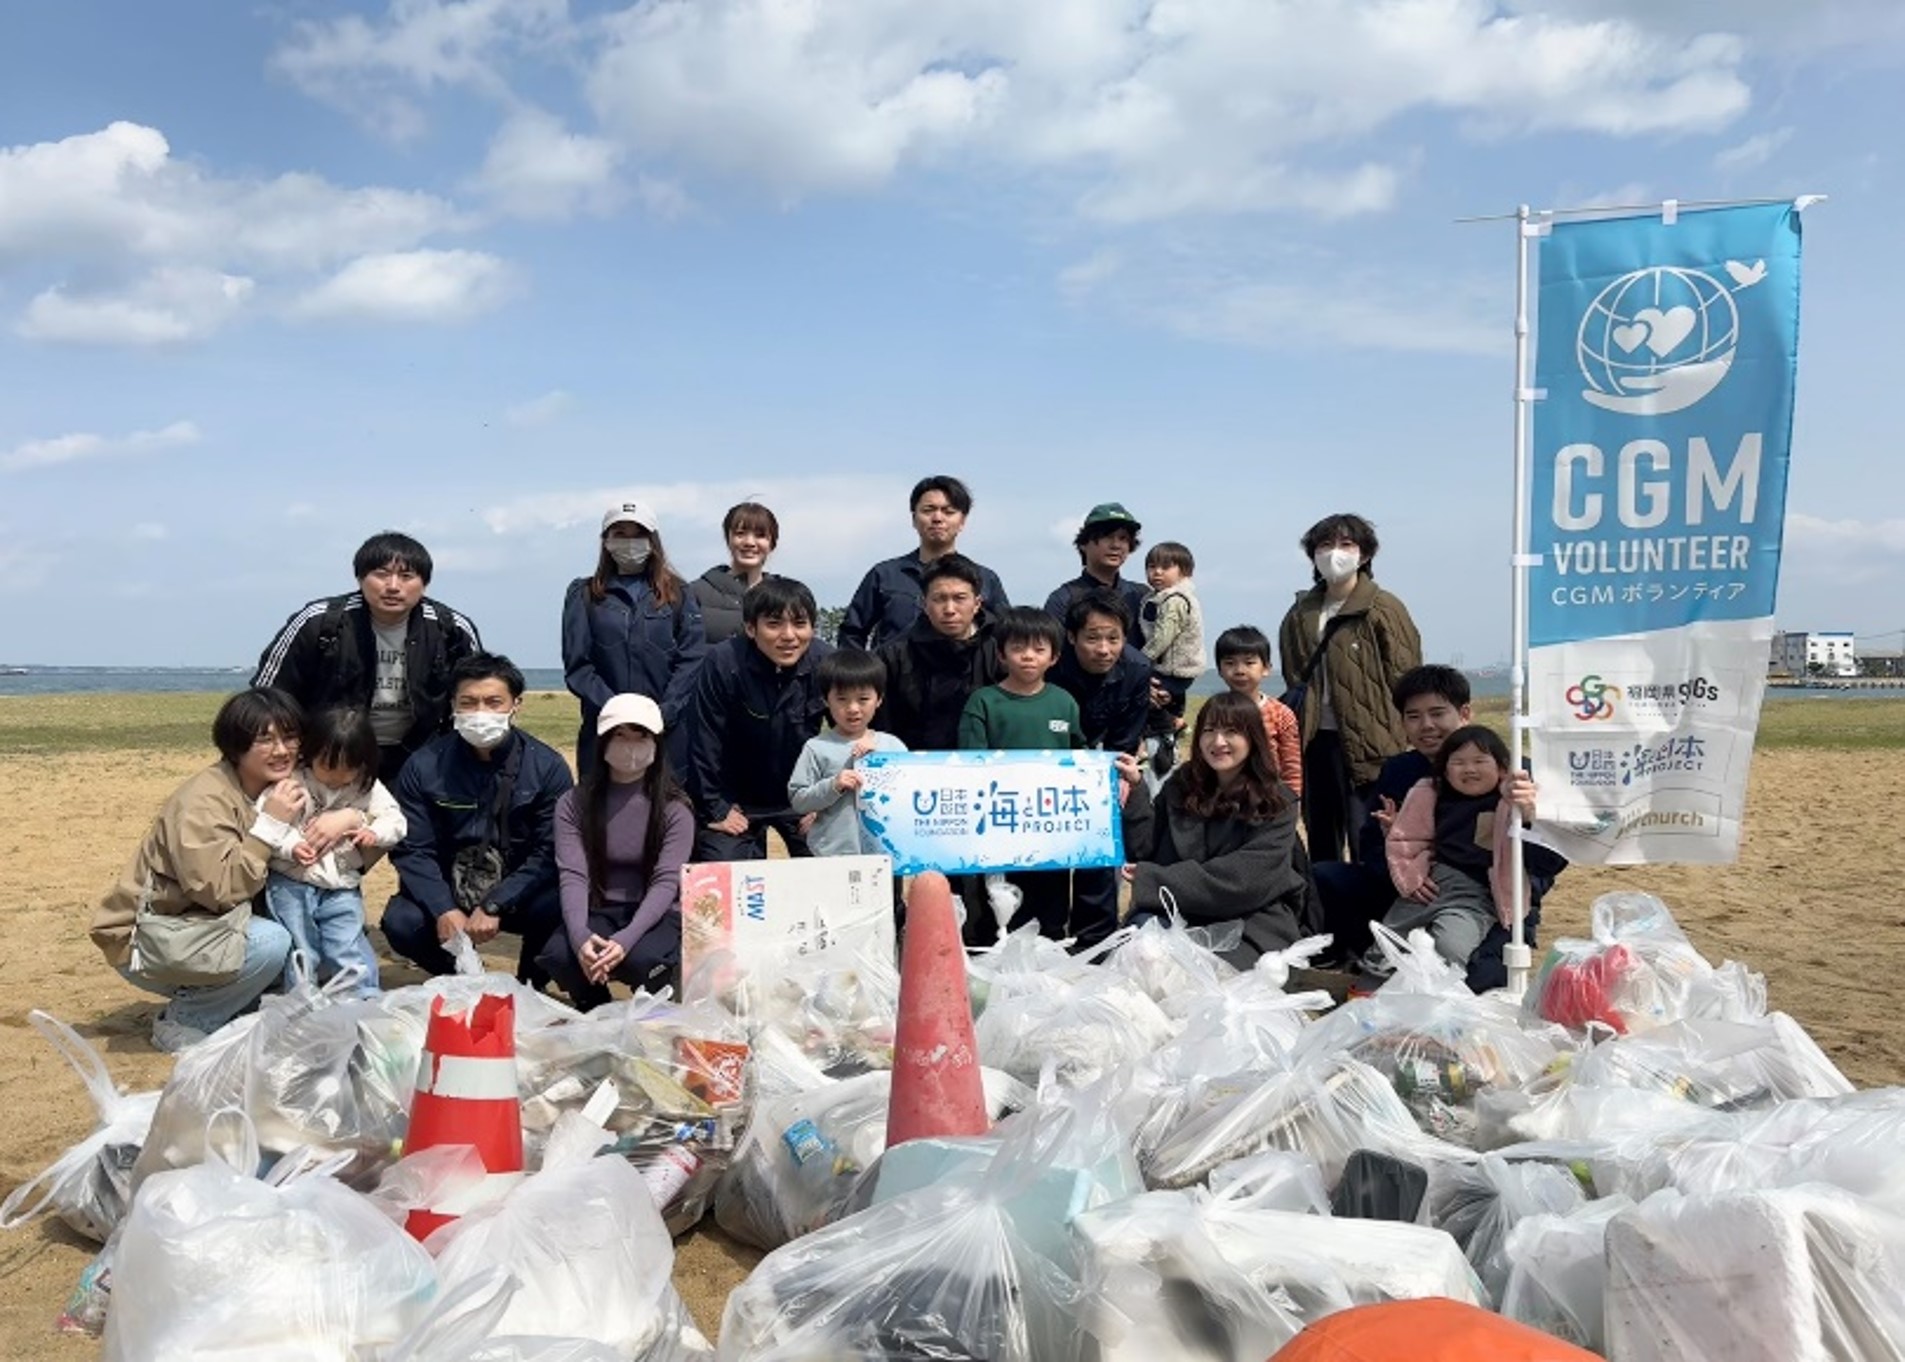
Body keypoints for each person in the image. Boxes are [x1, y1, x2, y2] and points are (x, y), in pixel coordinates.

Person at [1316, 666, 1565, 990]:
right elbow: (1371, 848)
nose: (1427, 726)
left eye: (1437, 713)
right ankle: (1354, 954)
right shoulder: (1400, 771)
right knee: (1326, 877)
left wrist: (1533, 817)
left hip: (1488, 900)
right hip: (1413, 890)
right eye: (1413, 716)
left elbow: (1548, 866)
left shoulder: (1516, 775)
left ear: (1464, 713)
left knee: (1476, 980)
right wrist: (1410, 874)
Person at [91, 688, 307, 1052]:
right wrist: (270, 827)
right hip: (148, 939)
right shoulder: (204, 801)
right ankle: (185, 1019)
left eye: (289, 737)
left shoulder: (270, 789)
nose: (282, 750)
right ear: (236, 745)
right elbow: (219, 890)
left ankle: (223, 1003)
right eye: (265, 740)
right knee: (272, 944)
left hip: (201, 927)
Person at [382, 653, 574, 980]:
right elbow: (413, 849)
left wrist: (496, 904)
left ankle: (530, 985)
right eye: (468, 702)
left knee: (560, 904)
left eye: (493, 702)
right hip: (450, 889)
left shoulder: (547, 767)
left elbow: (549, 851)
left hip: (516, 893)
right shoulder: (424, 765)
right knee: (402, 921)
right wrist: (442, 907)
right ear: (453, 705)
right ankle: (466, 977)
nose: (480, 712)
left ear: (516, 705)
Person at [253, 531, 482, 783]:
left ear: (424, 583)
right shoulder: (319, 621)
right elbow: (266, 697)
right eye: (381, 574)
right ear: (360, 578)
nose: (393, 586)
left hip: (420, 756)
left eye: (406, 576)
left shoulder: (450, 628)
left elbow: (479, 694)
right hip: (329, 754)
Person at [1116, 691, 1320, 969]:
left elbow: (1244, 881)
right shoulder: (1182, 785)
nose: (1218, 742)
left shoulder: (1277, 801)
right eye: (1209, 730)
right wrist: (1137, 790)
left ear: (1253, 738)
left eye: (1232, 731)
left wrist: (1155, 879)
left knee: (1208, 980)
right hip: (1178, 910)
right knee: (1138, 955)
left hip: (1251, 919)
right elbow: (1145, 849)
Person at [1358, 725, 1561, 981]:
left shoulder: (1511, 804)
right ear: (1444, 770)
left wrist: (1531, 815)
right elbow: (1408, 841)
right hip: (1431, 884)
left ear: (1501, 768)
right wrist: (1408, 868)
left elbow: (1545, 860)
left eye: (1479, 761)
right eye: (1458, 762)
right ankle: (1371, 982)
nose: (1470, 769)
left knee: (1451, 945)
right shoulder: (1431, 795)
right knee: (1389, 937)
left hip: (1478, 895)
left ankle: (1440, 990)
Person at [1277, 513, 1422, 864]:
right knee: (1321, 835)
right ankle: (1326, 914)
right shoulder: (1300, 613)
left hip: (1372, 743)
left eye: (1345, 544)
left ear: (1365, 554)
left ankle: (1368, 915)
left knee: (1368, 836)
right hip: (1315, 741)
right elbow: (1295, 674)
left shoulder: (1383, 608)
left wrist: (1405, 735)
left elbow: (1407, 677)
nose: (1334, 553)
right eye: (1325, 545)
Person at [538, 693, 695, 1009]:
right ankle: (594, 1006)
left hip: (659, 913)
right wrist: (580, 935)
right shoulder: (573, 804)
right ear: (602, 742)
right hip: (600, 908)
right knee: (560, 955)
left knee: (642, 958)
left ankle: (654, 1005)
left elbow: (666, 882)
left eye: (641, 736)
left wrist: (626, 939)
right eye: (620, 735)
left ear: (657, 743)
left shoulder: (675, 809)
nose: (630, 745)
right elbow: (573, 875)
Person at [257, 705, 405, 997]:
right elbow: (266, 822)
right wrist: (291, 847)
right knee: (300, 947)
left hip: (342, 885)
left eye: (347, 769)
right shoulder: (292, 782)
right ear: (310, 753)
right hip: (291, 883)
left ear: (364, 763)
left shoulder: (367, 787)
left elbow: (397, 822)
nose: (336, 778)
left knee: (346, 943)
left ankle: (364, 999)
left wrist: (371, 831)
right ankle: (300, 1003)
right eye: (327, 766)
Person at [686, 577, 834, 861]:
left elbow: (848, 732)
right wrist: (715, 807)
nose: (789, 635)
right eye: (774, 624)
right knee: (724, 871)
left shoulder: (826, 663)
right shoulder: (722, 662)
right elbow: (704, 740)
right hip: (735, 797)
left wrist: (826, 803)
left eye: (800, 624)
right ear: (750, 628)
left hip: (802, 794)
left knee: (831, 860)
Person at [958, 606, 1081, 941]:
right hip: (996, 825)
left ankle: (1049, 963)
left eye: (1039, 649)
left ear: (1054, 657)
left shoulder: (1065, 703)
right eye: (1018, 648)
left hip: (1049, 827)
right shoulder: (983, 702)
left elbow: (1078, 760)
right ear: (1001, 654)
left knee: (1051, 906)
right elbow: (971, 763)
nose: (1028, 656)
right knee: (997, 905)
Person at [562, 501, 706, 774]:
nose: (630, 542)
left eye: (638, 534)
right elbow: (578, 666)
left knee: (667, 810)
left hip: (667, 733)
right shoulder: (584, 594)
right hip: (603, 730)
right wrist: (618, 714)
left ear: (653, 541)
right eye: (620, 534)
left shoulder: (679, 593)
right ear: (606, 541)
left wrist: (664, 713)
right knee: (603, 812)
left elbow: (691, 659)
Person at [1050, 589, 1154, 950]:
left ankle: (1094, 942)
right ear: (1072, 637)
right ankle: (1047, 935)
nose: (1104, 649)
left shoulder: (1137, 669)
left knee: (1099, 852)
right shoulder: (1053, 666)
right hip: (1054, 766)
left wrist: (1109, 777)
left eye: (1114, 638)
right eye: (1093, 638)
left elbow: (1126, 737)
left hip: (1104, 766)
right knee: (1050, 859)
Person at [839, 475, 1010, 649]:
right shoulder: (885, 575)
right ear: (914, 518)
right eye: (928, 510)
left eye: (948, 512)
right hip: (894, 673)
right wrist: (861, 674)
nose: (937, 518)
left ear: (962, 521)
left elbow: (1006, 635)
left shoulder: (986, 579)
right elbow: (852, 633)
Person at [875, 554, 1003, 753]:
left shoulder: (1001, 650)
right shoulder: (893, 655)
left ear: (977, 603)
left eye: (959, 598)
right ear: (924, 604)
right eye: (939, 599)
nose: (950, 609)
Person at [788, 650, 908, 857]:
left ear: (879, 699)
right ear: (826, 700)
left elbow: (910, 792)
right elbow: (799, 800)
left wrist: (880, 763)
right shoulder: (816, 747)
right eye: (842, 699)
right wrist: (833, 785)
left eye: (863, 699)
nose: (853, 708)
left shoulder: (892, 746)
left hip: (884, 853)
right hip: (833, 854)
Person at [1138, 540, 1206, 775]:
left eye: (1165, 567)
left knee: (1144, 699)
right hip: (1178, 670)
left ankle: (1149, 749)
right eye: (1151, 566)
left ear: (1184, 571)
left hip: (1174, 668)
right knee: (1165, 701)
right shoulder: (1163, 596)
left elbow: (1164, 636)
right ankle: (1177, 723)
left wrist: (1141, 660)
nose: (1156, 572)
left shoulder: (1174, 600)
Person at [1212, 626, 1303, 794]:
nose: (1239, 671)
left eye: (1249, 663)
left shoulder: (1280, 714)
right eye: (1230, 663)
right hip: (1223, 800)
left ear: (1266, 668)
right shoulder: (1213, 712)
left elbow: (1292, 765)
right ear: (1219, 669)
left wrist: (1292, 800)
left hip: (1268, 799)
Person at [1043, 502, 1149, 644]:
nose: (1116, 545)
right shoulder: (1063, 599)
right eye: (1107, 536)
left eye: (1123, 538)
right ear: (1084, 544)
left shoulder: (1141, 596)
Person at [690, 501, 779, 647]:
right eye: (740, 533)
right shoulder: (695, 593)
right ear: (728, 539)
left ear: (772, 544)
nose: (749, 542)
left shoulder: (786, 595)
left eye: (760, 535)